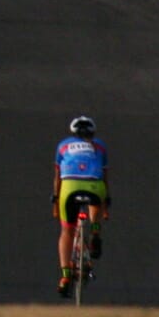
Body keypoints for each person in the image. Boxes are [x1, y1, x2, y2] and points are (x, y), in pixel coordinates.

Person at [52, 116, 109, 298]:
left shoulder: (63, 145)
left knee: (67, 231)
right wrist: (106, 204)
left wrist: (55, 201)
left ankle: (65, 277)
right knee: (96, 201)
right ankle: (95, 232)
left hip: (69, 187)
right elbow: (105, 177)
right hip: (94, 185)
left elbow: (57, 178)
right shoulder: (100, 146)